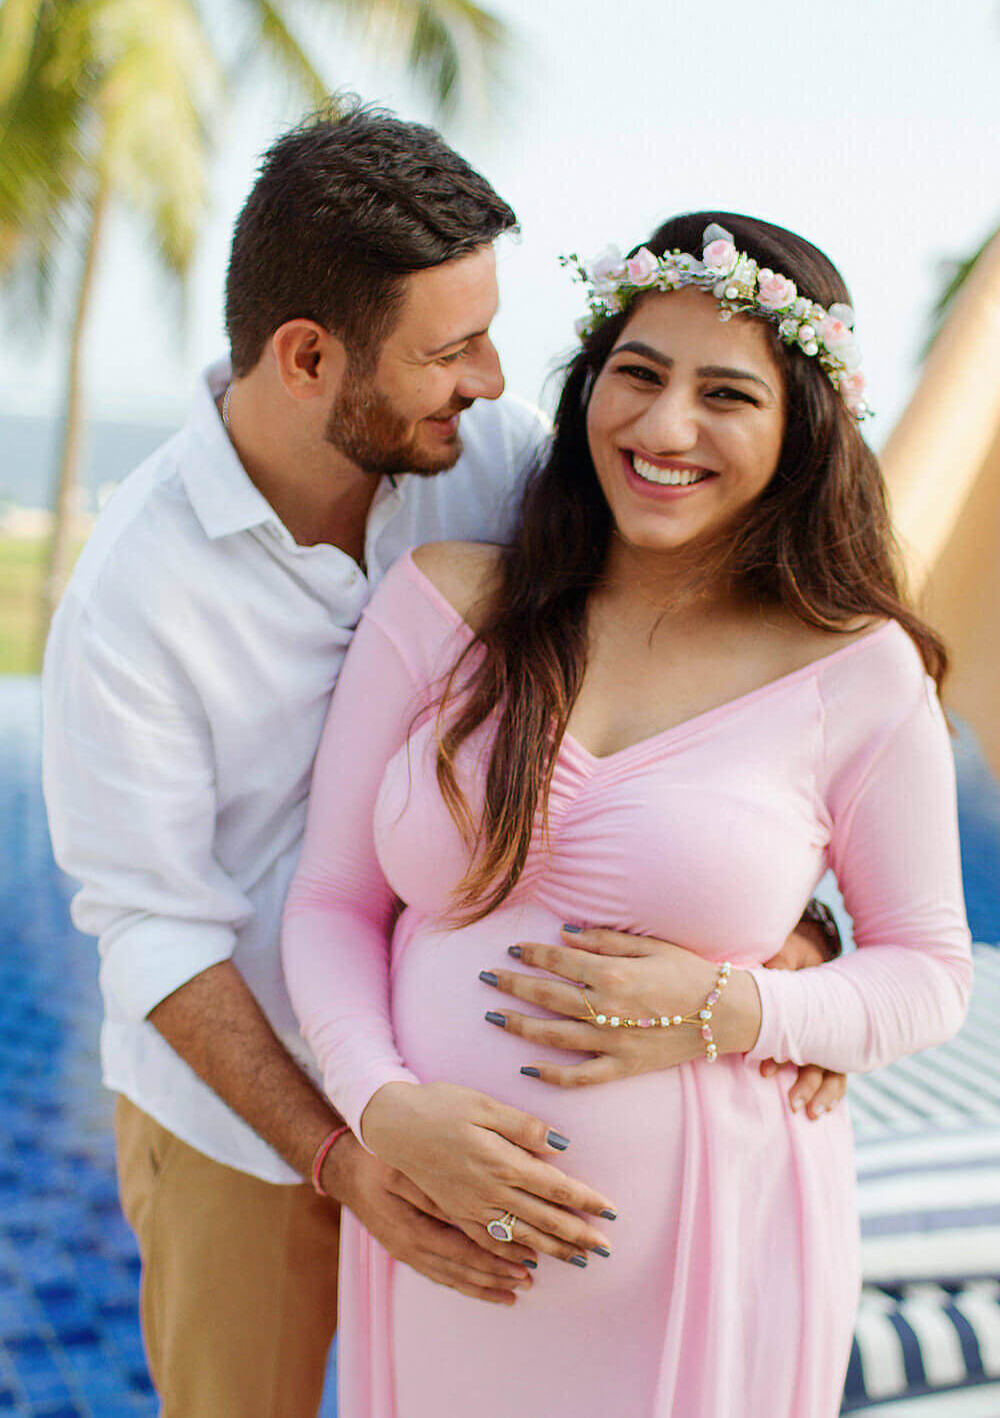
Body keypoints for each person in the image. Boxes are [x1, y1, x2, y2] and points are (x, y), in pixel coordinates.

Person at [40, 106, 835, 1418]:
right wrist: (346, 1160)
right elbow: (154, 934)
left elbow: (699, 673)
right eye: (451, 348)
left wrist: (793, 925)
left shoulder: (497, 466)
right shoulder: (137, 596)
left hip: (499, 1125)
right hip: (250, 1132)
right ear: (308, 358)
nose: (489, 375)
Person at [281, 212, 973, 1418]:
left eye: (725, 394)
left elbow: (930, 976)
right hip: (447, 1245)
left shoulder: (856, 674)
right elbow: (334, 902)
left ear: (800, 429)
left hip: (716, 1268)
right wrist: (383, 1107)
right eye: (637, 375)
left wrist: (736, 1008)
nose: (663, 428)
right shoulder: (444, 608)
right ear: (587, 388)